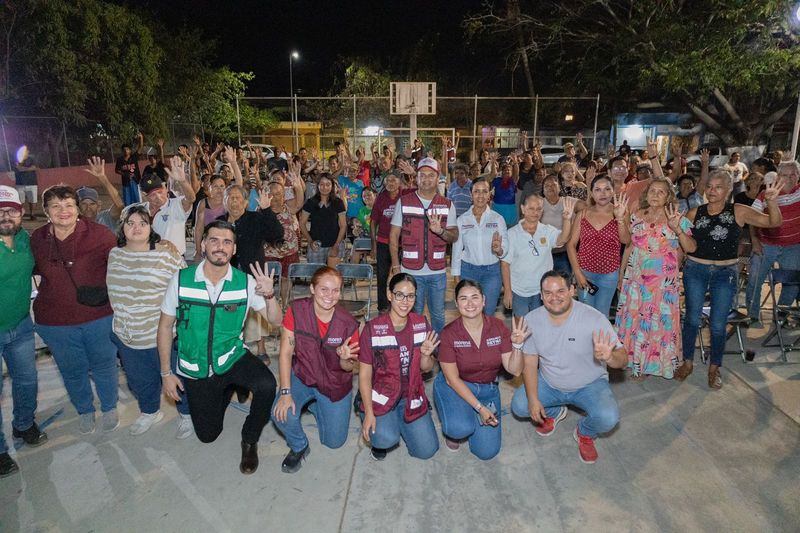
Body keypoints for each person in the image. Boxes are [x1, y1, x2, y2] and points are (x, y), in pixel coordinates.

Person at [158, 220, 282, 474]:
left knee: (267, 385)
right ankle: (227, 390)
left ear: (234, 249)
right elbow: (164, 327)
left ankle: (249, 439)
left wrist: (270, 295)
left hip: (230, 356)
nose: (220, 247)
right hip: (196, 365)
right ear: (203, 244)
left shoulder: (245, 282)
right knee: (207, 436)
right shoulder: (181, 280)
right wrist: (166, 373)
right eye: (214, 240)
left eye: (227, 242)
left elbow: (276, 321)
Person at [676, 172, 783, 389]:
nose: (712, 190)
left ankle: (715, 367)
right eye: (710, 186)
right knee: (691, 320)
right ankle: (687, 362)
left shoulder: (739, 211)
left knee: (717, 325)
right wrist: (676, 269)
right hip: (695, 270)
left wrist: (771, 202)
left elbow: (773, 222)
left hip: (725, 274)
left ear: (728, 190)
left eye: (718, 187)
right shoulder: (694, 213)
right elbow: (681, 241)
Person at [510, 271, 627, 464]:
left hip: (589, 384)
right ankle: (555, 412)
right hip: (550, 382)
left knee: (608, 417)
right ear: (541, 295)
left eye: (560, 291)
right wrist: (533, 399)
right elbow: (530, 363)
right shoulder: (531, 320)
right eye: (547, 292)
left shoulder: (593, 318)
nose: (554, 297)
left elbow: (623, 359)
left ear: (572, 290)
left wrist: (610, 357)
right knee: (521, 405)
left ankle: (585, 432)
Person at [30, 185, 119, 434]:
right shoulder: (37, 239)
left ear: (77, 208)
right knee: (72, 370)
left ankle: (109, 407)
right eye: (56, 206)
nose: (63, 211)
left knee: (104, 364)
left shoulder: (100, 234)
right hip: (55, 322)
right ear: (46, 210)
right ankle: (84, 410)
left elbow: (122, 264)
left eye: (69, 205)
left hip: (98, 316)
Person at [106, 204, 190, 436]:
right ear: (122, 228)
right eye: (130, 223)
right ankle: (150, 411)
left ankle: (186, 414)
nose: (136, 228)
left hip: (162, 335)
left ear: (150, 227)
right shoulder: (115, 254)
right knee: (139, 382)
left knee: (177, 379)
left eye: (143, 223)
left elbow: (185, 285)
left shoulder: (166, 254)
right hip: (128, 336)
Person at [272, 267, 360, 473]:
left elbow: (350, 367)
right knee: (280, 413)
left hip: (334, 384)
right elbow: (285, 353)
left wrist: (346, 359)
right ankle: (299, 446)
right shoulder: (296, 310)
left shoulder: (349, 324)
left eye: (335, 290)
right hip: (304, 375)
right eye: (324, 289)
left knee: (334, 442)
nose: (330, 296)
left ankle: (316, 406)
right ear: (312, 288)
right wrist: (285, 392)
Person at [433, 279, 525, 460]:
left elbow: (515, 370)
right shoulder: (449, 333)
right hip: (455, 385)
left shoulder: (498, 327)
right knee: (459, 428)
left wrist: (518, 346)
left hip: (487, 388)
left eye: (475, 297)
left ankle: (468, 412)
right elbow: (452, 379)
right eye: (464, 299)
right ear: (457, 303)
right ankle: (459, 420)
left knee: (487, 452)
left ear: (484, 300)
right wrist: (480, 408)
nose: (470, 304)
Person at [616, 178, 696, 380]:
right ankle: (636, 362)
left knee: (656, 323)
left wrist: (677, 229)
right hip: (636, 279)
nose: (655, 195)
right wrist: (621, 273)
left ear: (668, 196)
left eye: (661, 192)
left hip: (662, 283)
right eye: (652, 190)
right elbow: (627, 243)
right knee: (636, 320)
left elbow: (691, 248)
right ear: (646, 193)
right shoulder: (636, 216)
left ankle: (649, 365)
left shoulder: (677, 218)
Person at [357, 273, 440, 461]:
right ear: (389, 295)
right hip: (381, 395)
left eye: (411, 296)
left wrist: (426, 355)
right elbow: (364, 375)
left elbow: (426, 369)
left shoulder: (421, 324)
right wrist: (369, 413)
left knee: (427, 451)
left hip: (411, 395)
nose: (405, 301)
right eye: (399, 295)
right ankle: (382, 423)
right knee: (386, 438)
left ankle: (399, 422)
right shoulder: (373, 328)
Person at [0, 186, 47, 477]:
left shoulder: (26, 241)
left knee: (27, 381)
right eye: (0, 211)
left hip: (20, 324)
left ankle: (23, 424)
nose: (6, 215)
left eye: (11, 210)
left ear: (21, 213)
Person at [390, 158, 459, 333]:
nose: (427, 179)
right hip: (411, 272)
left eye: (431, 175)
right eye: (423, 175)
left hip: (437, 273)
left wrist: (440, 231)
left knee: (437, 315)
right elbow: (393, 236)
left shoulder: (447, 204)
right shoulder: (404, 202)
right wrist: (396, 266)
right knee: (413, 315)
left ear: (438, 178)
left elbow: (454, 235)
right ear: (416, 178)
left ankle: (437, 350)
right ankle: (415, 349)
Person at [502, 194, 575, 317]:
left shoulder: (547, 230)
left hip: (543, 290)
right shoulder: (511, 234)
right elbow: (505, 264)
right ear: (523, 209)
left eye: (539, 209)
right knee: (521, 326)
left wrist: (567, 219)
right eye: (531, 208)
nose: (535, 212)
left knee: (541, 325)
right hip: (519, 290)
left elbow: (563, 239)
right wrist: (508, 291)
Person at [566, 176, 630, 317]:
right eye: (598, 190)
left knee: (602, 315)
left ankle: (601, 340)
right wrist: (577, 273)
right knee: (585, 315)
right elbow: (571, 245)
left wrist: (619, 219)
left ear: (613, 192)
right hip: (585, 273)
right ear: (592, 193)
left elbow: (626, 241)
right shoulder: (582, 214)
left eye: (607, 189)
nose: (603, 193)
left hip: (609, 274)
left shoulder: (621, 212)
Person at [746, 161, 800, 324]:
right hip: (766, 244)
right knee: (755, 279)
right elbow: (751, 219)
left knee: (793, 281)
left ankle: (781, 314)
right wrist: (755, 241)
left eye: (794, 174)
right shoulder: (767, 194)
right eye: (785, 175)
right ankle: (753, 315)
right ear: (778, 176)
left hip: (793, 246)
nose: (790, 178)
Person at [451, 178, 508, 316]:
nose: (480, 195)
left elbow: (505, 248)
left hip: (492, 273)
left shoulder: (498, 219)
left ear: (490, 194)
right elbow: (456, 250)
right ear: (470, 194)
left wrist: (498, 250)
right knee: (470, 313)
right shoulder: (462, 220)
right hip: (468, 272)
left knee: (487, 313)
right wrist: (456, 276)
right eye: (476, 191)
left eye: (484, 191)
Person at [141, 155, 196, 257]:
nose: (158, 197)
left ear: (165, 187)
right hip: (150, 260)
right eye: (152, 195)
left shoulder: (176, 205)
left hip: (174, 260)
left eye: (160, 191)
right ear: (144, 195)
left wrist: (182, 181)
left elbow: (191, 198)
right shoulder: (140, 210)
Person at [264, 181, 301, 305]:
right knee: (266, 280)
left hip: (289, 252)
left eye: (278, 194)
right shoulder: (261, 210)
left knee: (286, 279)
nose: (274, 197)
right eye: (271, 194)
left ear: (283, 196)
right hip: (268, 252)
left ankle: (284, 306)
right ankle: (268, 307)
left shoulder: (289, 208)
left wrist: (298, 185)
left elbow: (300, 202)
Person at [300, 174, 347, 266]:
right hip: (316, 246)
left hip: (334, 244)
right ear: (317, 186)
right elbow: (302, 223)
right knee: (317, 276)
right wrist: (310, 241)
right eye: (321, 184)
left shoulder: (338, 203)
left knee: (333, 275)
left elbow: (343, 225)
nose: (324, 187)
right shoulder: (311, 202)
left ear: (332, 186)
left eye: (328, 184)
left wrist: (336, 245)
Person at [371, 171, 402, 313]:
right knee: (382, 276)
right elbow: (373, 222)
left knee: (402, 276)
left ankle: (401, 305)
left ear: (399, 182)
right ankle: (383, 307)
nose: (391, 183)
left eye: (394, 180)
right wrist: (373, 245)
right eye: (388, 181)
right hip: (383, 242)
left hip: (403, 244)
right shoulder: (380, 198)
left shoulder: (405, 195)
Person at [78, 156, 125, 233]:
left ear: (99, 206)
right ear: (77, 207)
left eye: (92, 203)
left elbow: (120, 205)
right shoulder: (74, 226)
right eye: (84, 204)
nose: (88, 207)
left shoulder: (106, 218)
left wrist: (102, 178)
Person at [541, 174, 573, 275]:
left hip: (562, 252)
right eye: (547, 186)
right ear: (543, 190)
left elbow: (586, 208)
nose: (550, 187)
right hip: (543, 252)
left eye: (553, 185)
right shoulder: (538, 203)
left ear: (559, 187)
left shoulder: (567, 201)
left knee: (563, 283)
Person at [193, 175, 227, 262]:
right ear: (210, 187)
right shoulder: (203, 203)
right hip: (209, 246)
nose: (219, 189)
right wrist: (198, 251)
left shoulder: (228, 203)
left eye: (222, 186)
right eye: (215, 186)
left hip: (226, 246)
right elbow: (198, 229)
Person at [115, 132, 144, 206]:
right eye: (124, 150)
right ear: (122, 151)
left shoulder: (134, 157)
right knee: (127, 201)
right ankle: (129, 214)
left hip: (135, 181)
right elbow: (117, 170)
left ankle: (138, 213)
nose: (125, 151)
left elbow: (140, 148)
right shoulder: (120, 160)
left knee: (137, 200)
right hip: (126, 182)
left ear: (130, 150)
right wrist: (124, 174)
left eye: (127, 149)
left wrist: (141, 138)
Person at [14, 155, 38, 220]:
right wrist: (29, 168)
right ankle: (20, 214)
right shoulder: (17, 158)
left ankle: (32, 214)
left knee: (33, 200)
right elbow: (19, 168)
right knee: (20, 201)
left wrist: (23, 168)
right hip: (20, 184)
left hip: (32, 183)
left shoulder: (32, 159)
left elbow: (35, 167)